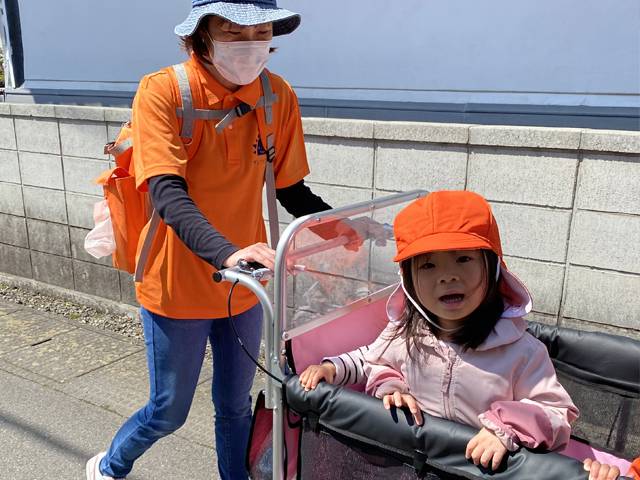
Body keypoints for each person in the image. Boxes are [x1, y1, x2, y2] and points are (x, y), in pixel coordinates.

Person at [86, 1, 340, 479]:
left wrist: (338, 225)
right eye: (234, 32)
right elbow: (166, 193)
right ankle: (111, 465)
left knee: (236, 405)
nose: (250, 46)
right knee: (168, 410)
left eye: (260, 32)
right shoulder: (163, 91)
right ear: (202, 36)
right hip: (176, 280)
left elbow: (289, 187)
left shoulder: (276, 95)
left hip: (246, 282)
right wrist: (227, 251)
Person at [299, 190, 579, 472]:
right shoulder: (406, 334)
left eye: (463, 259)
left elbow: (557, 414)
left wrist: (506, 427)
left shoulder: (521, 351)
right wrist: (337, 370)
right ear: (408, 280)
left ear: (493, 267)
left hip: (484, 472)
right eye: (429, 265)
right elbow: (371, 359)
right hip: (420, 467)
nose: (447, 276)